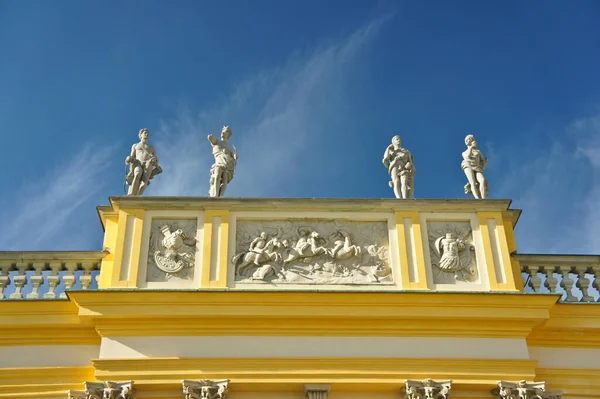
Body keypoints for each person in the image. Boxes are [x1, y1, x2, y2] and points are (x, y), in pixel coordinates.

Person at [125, 128, 162, 195]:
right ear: (140, 135)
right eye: (145, 133)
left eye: (147, 133)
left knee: (145, 180)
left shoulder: (151, 148)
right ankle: (131, 194)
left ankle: (139, 195)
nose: (146, 134)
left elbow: (156, 159)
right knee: (137, 174)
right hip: (138, 163)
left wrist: (154, 160)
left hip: (148, 163)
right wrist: (129, 158)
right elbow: (132, 156)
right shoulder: (136, 145)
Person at [208, 126, 238, 197]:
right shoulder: (218, 142)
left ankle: (221, 196)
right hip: (219, 162)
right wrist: (211, 138)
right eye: (223, 132)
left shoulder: (230, 147)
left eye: (225, 132)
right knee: (217, 176)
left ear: (228, 135)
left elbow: (233, 154)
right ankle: (215, 195)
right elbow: (211, 139)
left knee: (224, 180)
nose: (223, 133)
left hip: (228, 163)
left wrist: (235, 156)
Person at [461, 134, 488, 199]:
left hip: (477, 167)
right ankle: (477, 198)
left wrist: (483, 166)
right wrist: (471, 147)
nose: (466, 141)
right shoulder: (464, 152)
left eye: (468, 139)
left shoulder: (478, 152)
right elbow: (467, 157)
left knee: (482, 180)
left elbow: (483, 161)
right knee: (472, 182)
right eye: (465, 140)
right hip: (467, 165)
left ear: (471, 140)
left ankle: (484, 198)